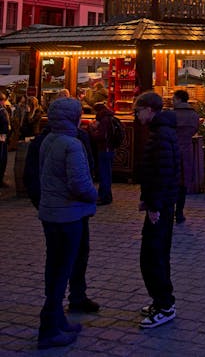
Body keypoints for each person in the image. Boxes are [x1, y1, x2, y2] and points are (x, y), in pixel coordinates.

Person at [23, 123, 100, 325]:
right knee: (67, 259)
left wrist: (42, 203)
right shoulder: (72, 141)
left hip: (57, 210)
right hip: (71, 209)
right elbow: (83, 179)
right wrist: (93, 196)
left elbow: (31, 176)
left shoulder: (43, 140)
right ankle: (55, 310)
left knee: (64, 257)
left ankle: (74, 297)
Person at [37, 97, 98, 350]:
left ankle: (57, 318)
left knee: (55, 266)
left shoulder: (48, 140)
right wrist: (96, 195)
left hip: (51, 212)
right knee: (63, 267)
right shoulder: (71, 145)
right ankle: (49, 328)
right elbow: (79, 184)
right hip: (69, 213)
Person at [135, 91, 180, 329]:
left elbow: (161, 172)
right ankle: (161, 300)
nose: (136, 115)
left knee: (153, 255)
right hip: (161, 202)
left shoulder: (160, 135)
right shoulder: (162, 132)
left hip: (160, 205)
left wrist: (154, 204)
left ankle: (164, 304)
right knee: (156, 253)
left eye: (138, 110)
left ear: (149, 110)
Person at [172, 89, 199, 224]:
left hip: (172, 149)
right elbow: (195, 129)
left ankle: (170, 211)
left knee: (171, 180)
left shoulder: (172, 114)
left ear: (177, 99)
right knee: (183, 182)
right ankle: (180, 212)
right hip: (187, 150)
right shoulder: (194, 114)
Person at [87, 101, 115, 205]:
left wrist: (91, 131)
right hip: (109, 149)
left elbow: (101, 137)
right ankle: (106, 196)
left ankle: (104, 197)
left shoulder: (104, 120)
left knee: (104, 174)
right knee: (107, 173)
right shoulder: (109, 118)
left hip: (104, 150)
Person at [0, 92, 11, 187]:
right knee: (1, 159)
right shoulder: (1, 111)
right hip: (1, 137)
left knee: (3, 160)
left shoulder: (4, 110)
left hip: (4, 137)